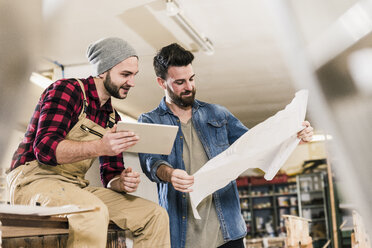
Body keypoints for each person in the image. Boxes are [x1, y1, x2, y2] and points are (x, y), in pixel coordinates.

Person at [136, 43, 314, 248]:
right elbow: (150, 162)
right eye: (180, 82)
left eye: (192, 79)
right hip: (181, 236)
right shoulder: (149, 120)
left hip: (227, 232)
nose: (189, 87)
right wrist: (169, 173)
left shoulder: (217, 114)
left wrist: (293, 136)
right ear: (161, 82)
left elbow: (255, 145)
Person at [7, 37, 171, 248]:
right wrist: (100, 146)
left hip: (75, 185)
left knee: (155, 215)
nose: (132, 82)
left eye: (134, 75)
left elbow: (110, 175)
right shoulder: (67, 90)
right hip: (32, 180)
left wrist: (121, 182)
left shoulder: (113, 117)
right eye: (125, 74)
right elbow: (45, 148)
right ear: (103, 71)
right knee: (92, 212)